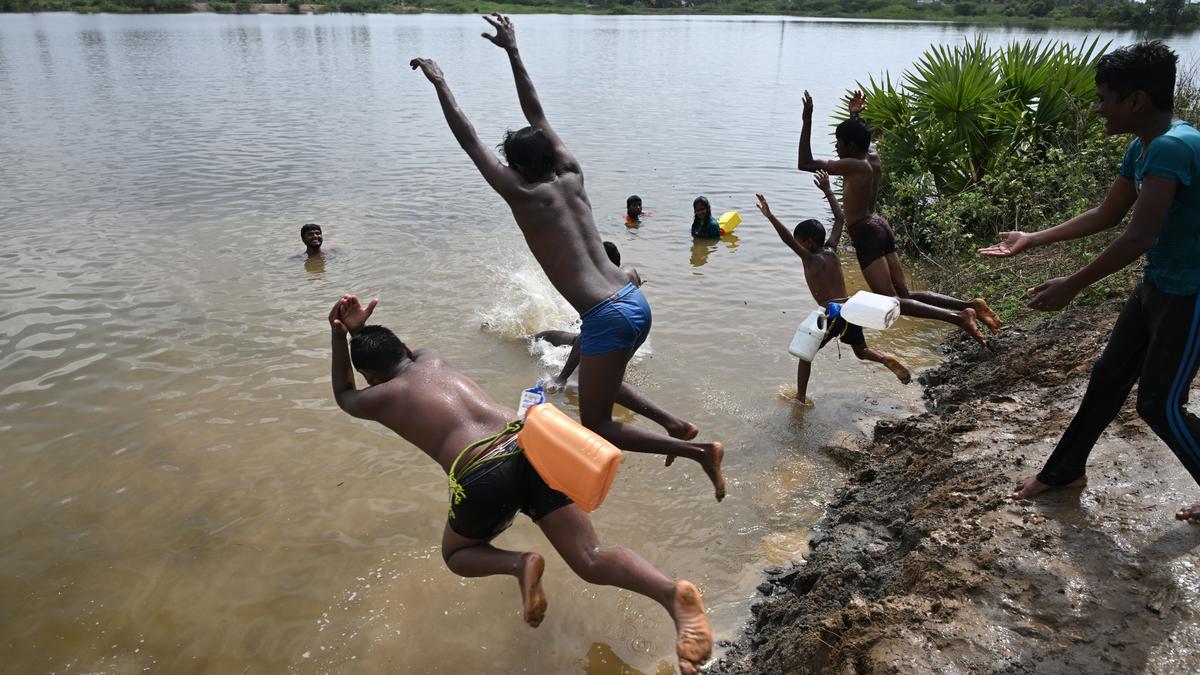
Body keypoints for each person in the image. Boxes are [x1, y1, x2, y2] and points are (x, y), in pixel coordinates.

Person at [410, 13, 725, 500]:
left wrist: (440, 83)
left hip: (604, 313)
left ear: (515, 166)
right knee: (600, 380)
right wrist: (514, 51)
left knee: (597, 422)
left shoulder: (522, 194)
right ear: (552, 155)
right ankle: (674, 423)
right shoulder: (573, 174)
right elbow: (537, 113)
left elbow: (469, 140)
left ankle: (700, 451)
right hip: (632, 298)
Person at [325, 295, 713, 673]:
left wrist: (339, 335)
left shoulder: (377, 397)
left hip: (480, 468)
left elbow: (344, 393)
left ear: (372, 378)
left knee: (457, 554)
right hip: (530, 446)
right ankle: (672, 595)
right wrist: (361, 331)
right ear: (404, 351)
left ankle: (519, 563)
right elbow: (403, 353)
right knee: (591, 556)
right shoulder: (432, 357)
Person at [977, 41, 1200, 522]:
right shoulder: (1143, 145)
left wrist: (1073, 284)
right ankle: (1064, 471)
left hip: (1192, 295)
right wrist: (1031, 239)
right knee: (1107, 378)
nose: (1098, 109)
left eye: (1103, 98)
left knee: (1159, 405)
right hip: (1159, 284)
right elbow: (1108, 213)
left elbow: (1140, 234)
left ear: (1135, 100)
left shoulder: (1174, 147)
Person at [796, 89, 1001, 347]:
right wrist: (856, 117)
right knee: (903, 294)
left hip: (866, 232)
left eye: (839, 142)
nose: (836, 148)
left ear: (849, 145)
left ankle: (960, 317)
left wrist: (807, 120)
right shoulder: (872, 154)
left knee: (890, 300)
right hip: (881, 225)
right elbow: (863, 137)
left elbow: (805, 162)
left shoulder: (852, 164)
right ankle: (970, 305)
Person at [756, 172, 911, 406]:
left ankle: (800, 398)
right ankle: (885, 358)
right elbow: (839, 219)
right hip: (852, 309)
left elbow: (786, 238)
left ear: (807, 243)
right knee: (861, 351)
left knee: (804, 355)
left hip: (833, 313)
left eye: (800, 242)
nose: (798, 246)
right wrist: (828, 191)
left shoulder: (810, 259)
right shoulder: (831, 251)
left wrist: (770, 216)